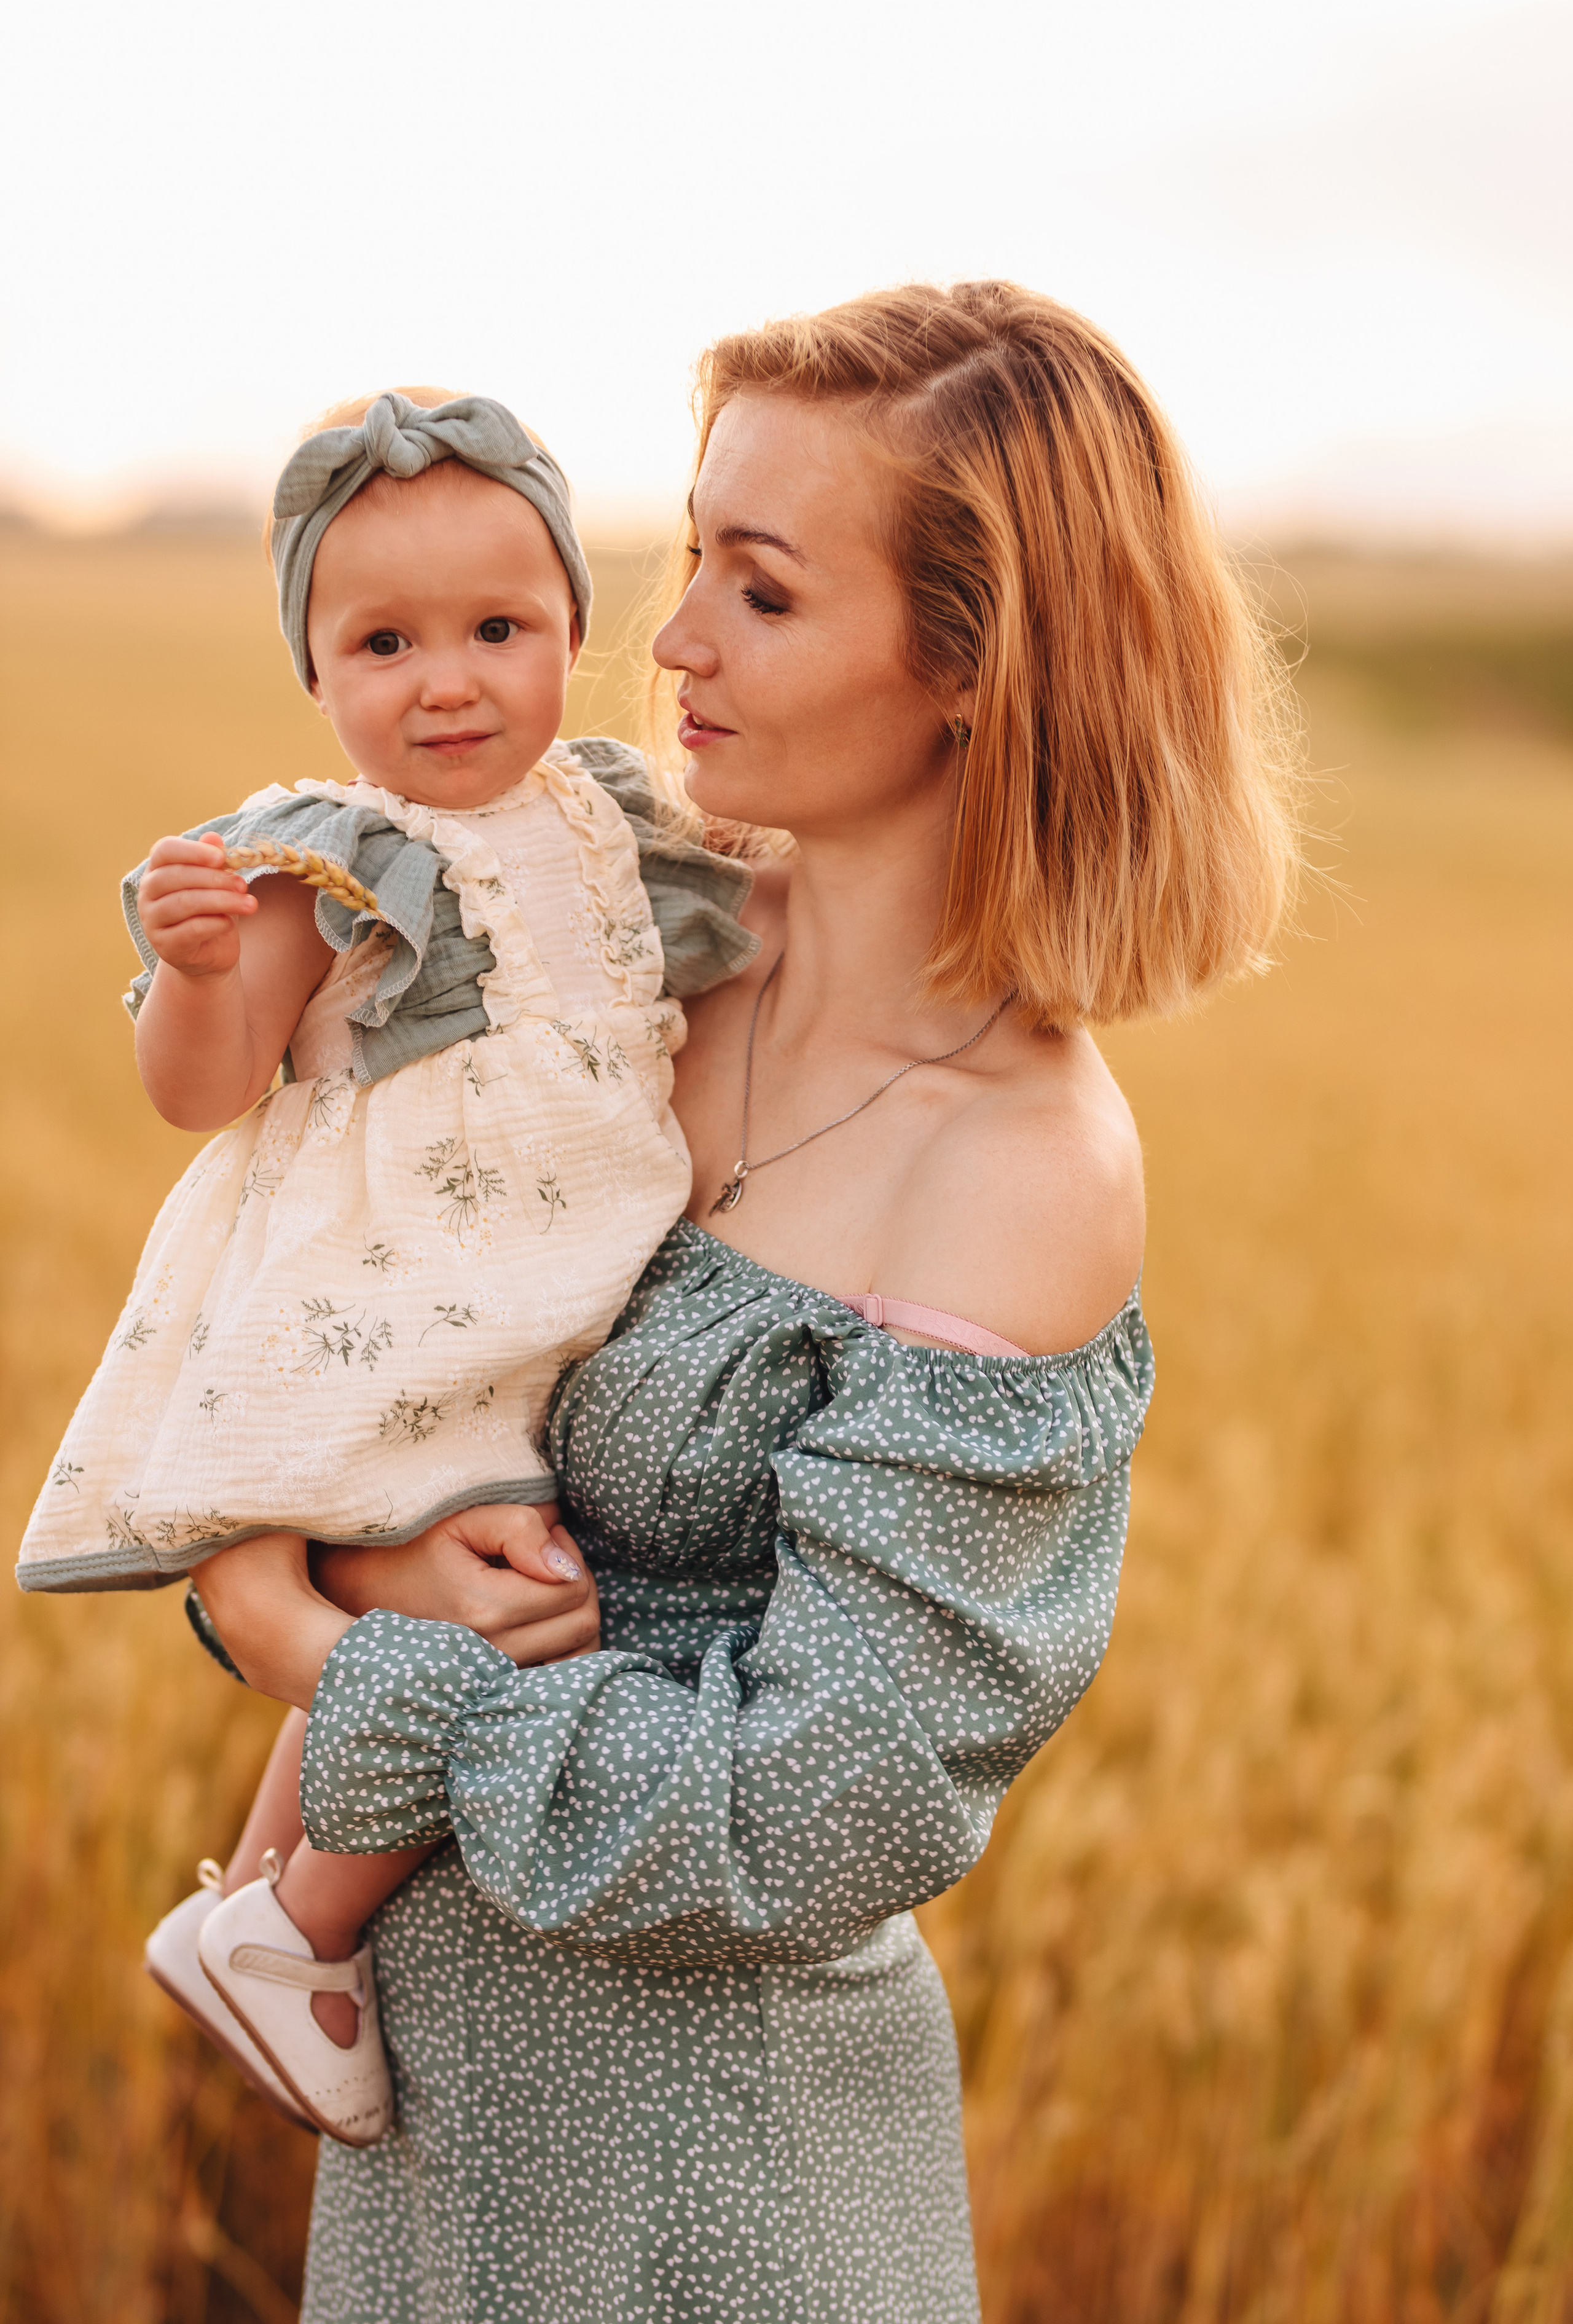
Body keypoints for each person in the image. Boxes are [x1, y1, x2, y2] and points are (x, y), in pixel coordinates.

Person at [190, 280, 1298, 2323]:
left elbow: (803, 1823)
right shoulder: (627, 943)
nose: (674, 633)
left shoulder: (1024, 1172)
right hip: (440, 2138)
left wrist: (338, 1652)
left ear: (980, 662)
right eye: (693, 548)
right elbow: (344, 1311)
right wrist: (281, 1558)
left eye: (764, 592)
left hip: (719, 2186)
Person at [15, 388, 756, 2143]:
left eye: (499, 629)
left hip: (551, 1287)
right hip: (395, 1304)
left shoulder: (613, 827)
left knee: (486, 1580)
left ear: (579, 633)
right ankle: (306, 1919)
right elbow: (206, 1097)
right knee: (500, 1591)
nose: (446, 680)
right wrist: (201, 979)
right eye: (382, 641)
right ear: (315, 676)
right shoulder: (324, 860)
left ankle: (262, 1906)